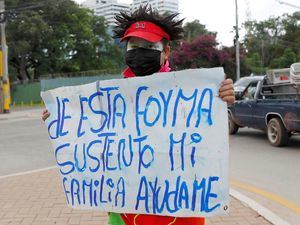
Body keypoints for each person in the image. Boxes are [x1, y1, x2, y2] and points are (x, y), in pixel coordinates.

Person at [42, 5, 235, 225]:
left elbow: (212, 147)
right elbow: (93, 147)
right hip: (124, 214)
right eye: (134, 45)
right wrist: (63, 116)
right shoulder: (109, 99)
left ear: (166, 52)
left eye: (149, 45)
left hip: (179, 213)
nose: (139, 51)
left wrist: (220, 103)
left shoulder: (189, 94)